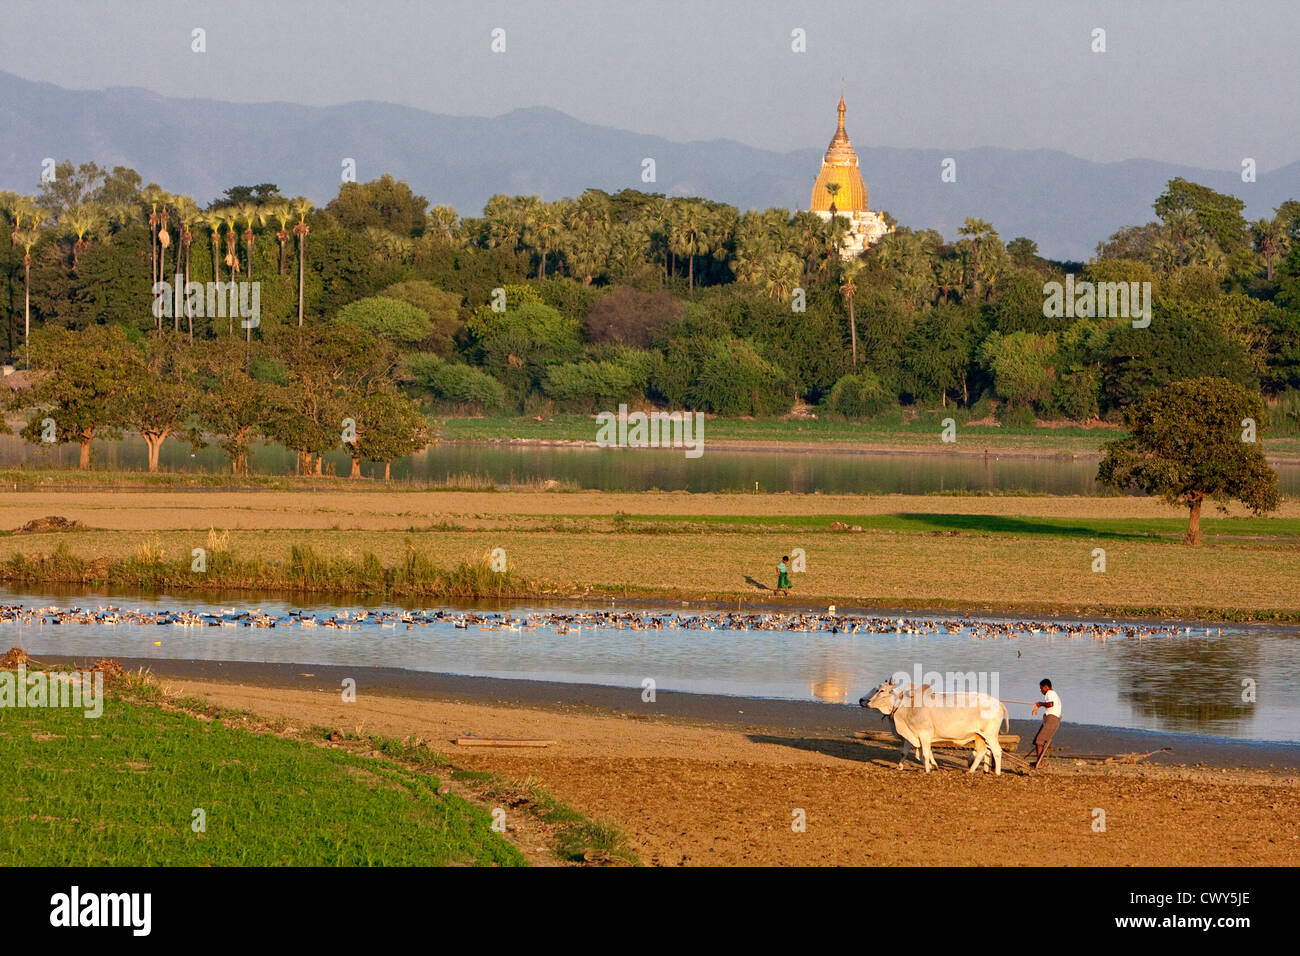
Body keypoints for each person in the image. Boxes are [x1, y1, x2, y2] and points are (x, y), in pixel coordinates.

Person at [1030, 678, 1062, 768]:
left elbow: (1051, 704)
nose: (1041, 691)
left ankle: (1039, 763)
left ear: (1046, 687)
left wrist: (1040, 704)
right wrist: (1041, 704)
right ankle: (1039, 761)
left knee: (1039, 740)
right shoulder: (1053, 694)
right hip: (1051, 719)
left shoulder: (1050, 693)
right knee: (1037, 740)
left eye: (1041, 688)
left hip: (1052, 719)